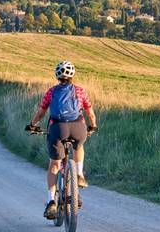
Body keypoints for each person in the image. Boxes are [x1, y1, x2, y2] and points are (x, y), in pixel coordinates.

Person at [25, 61, 98, 220]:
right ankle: (79, 175)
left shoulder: (51, 92)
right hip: (78, 127)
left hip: (58, 129)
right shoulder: (80, 91)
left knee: (54, 163)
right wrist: (93, 126)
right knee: (78, 147)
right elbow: (90, 113)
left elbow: (41, 112)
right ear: (72, 75)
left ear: (57, 76)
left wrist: (32, 125)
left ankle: (51, 201)